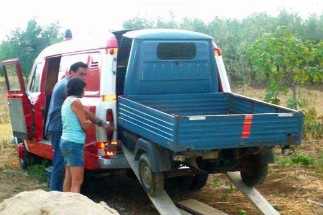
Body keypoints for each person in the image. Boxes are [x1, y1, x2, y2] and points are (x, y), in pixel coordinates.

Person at [46, 62, 112, 191]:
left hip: (62, 129)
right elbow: (84, 112)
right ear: (71, 72)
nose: (83, 78)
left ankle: (60, 198)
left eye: (85, 75)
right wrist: (101, 123)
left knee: (66, 171)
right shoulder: (69, 87)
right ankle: (54, 195)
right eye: (81, 74)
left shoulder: (66, 86)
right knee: (61, 165)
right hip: (60, 128)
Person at [60, 78, 89, 192]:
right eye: (84, 88)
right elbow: (84, 125)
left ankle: (66, 202)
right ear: (79, 89)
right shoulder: (76, 102)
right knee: (77, 181)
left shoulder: (66, 100)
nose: (85, 90)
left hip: (65, 141)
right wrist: (90, 123)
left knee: (68, 176)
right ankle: (74, 207)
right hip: (74, 142)